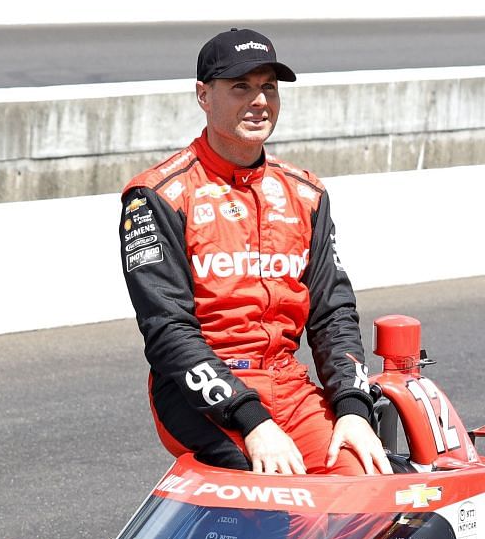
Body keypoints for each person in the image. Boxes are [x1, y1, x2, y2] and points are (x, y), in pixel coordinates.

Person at [119, 28, 391, 477]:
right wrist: (252, 421)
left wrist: (353, 408)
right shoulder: (158, 195)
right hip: (199, 392)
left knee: (363, 478)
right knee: (279, 489)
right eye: (240, 86)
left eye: (268, 86)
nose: (259, 100)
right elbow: (168, 332)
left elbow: (333, 314)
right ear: (203, 96)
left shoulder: (306, 193)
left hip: (287, 382)